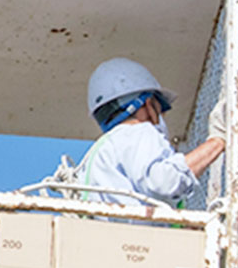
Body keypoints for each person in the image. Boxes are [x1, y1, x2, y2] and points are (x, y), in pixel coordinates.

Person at [76, 57, 227, 206]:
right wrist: (217, 141)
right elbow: (166, 182)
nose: (161, 118)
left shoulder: (94, 160)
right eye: (160, 110)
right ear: (148, 104)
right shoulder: (138, 132)